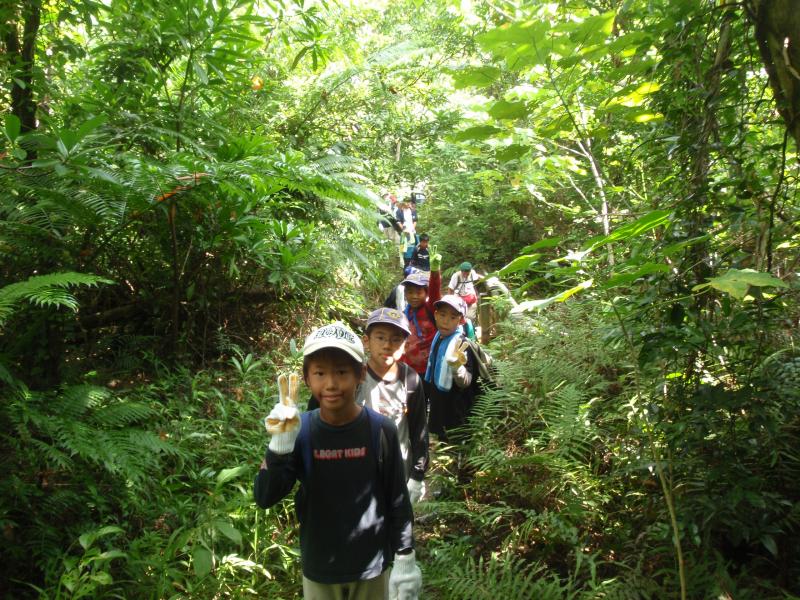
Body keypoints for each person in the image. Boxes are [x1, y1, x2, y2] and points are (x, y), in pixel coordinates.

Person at [254, 322, 422, 599]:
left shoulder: (381, 430)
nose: (331, 384)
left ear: (360, 374)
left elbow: (397, 500)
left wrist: (405, 556)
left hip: (372, 567)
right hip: (320, 566)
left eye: (342, 372)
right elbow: (265, 496)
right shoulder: (300, 430)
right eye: (320, 373)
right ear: (307, 379)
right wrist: (279, 447)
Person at [425, 295, 480, 443]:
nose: (445, 321)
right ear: (436, 315)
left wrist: (457, 367)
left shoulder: (462, 345)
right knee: (442, 437)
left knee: (454, 440)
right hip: (439, 402)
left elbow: (466, 382)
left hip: (455, 407)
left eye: (453, 317)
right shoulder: (439, 336)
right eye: (442, 314)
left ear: (461, 320)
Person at [391, 254, 442, 385]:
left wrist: (435, 272)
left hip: (428, 367)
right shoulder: (403, 315)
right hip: (408, 368)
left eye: (418, 292)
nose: (414, 296)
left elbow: (435, 291)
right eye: (410, 292)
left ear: (426, 293)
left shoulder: (430, 309)